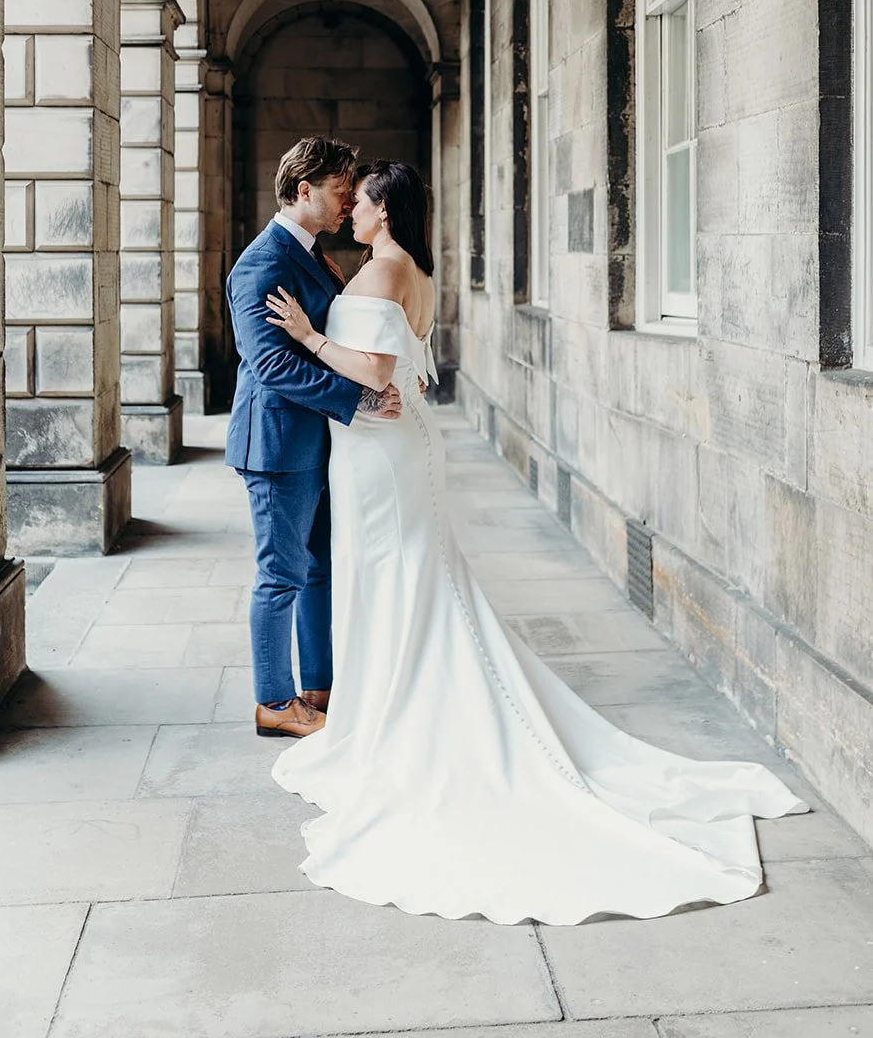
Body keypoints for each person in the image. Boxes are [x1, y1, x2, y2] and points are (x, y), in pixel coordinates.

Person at [264, 158, 808, 926]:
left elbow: (377, 367)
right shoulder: (407, 267)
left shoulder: (383, 272)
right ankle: (382, 709)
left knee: (399, 578)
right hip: (389, 443)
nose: (350, 209)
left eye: (361, 202)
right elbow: (412, 369)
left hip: (382, 453)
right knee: (406, 579)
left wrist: (310, 336)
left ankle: (398, 725)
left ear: (384, 210)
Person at [225, 137, 402, 742]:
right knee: (281, 575)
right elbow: (271, 366)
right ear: (305, 190)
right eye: (340, 188)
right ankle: (275, 701)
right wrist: (361, 398)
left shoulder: (315, 255)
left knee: (319, 569)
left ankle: (319, 688)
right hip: (276, 445)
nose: (349, 197)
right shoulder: (261, 264)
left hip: (317, 441)